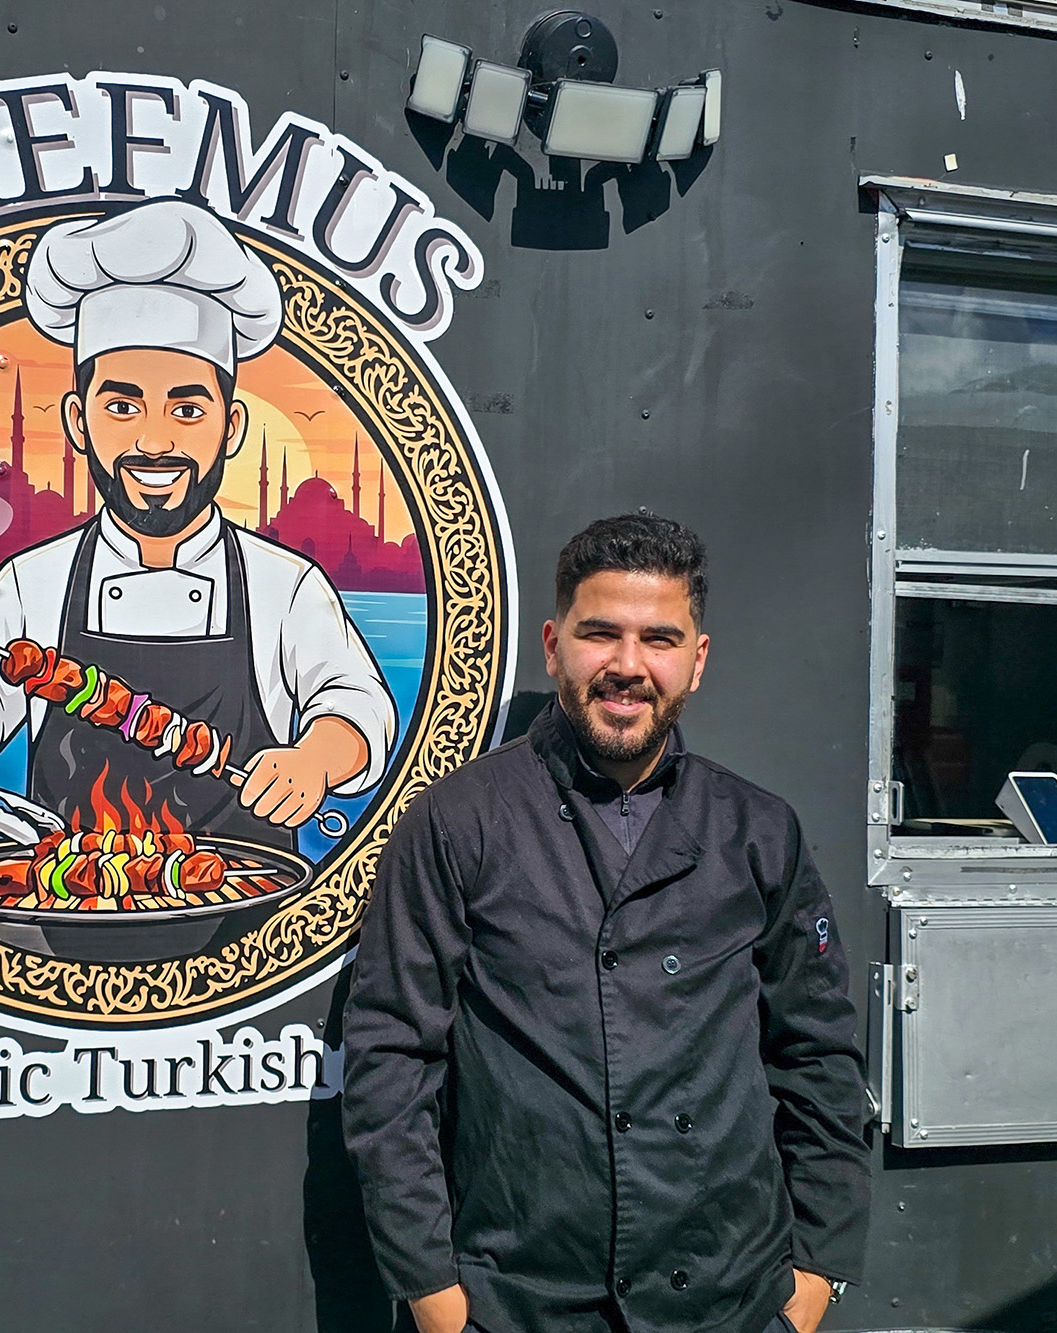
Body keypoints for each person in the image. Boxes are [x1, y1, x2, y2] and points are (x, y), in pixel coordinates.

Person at [343, 514, 870, 1333]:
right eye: (601, 634)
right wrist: (436, 1295)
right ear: (553, 645)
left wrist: (813, 1279)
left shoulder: (759, 830)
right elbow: (391, 1059)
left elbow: (820, 1052)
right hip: (520, 1302)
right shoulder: (457, 822)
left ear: (697, 659)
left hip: (733, 1296)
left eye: (660, 638)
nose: (628, 666)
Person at [0, 199, 396, 846]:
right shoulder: (35, 580)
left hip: (247, 914)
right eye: (122, 406)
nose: (155, 440)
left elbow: (357, 705)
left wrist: (316, 758)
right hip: (65, 914)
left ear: (232, 426)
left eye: (188, 409)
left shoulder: (287, 586)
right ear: (79, 422)